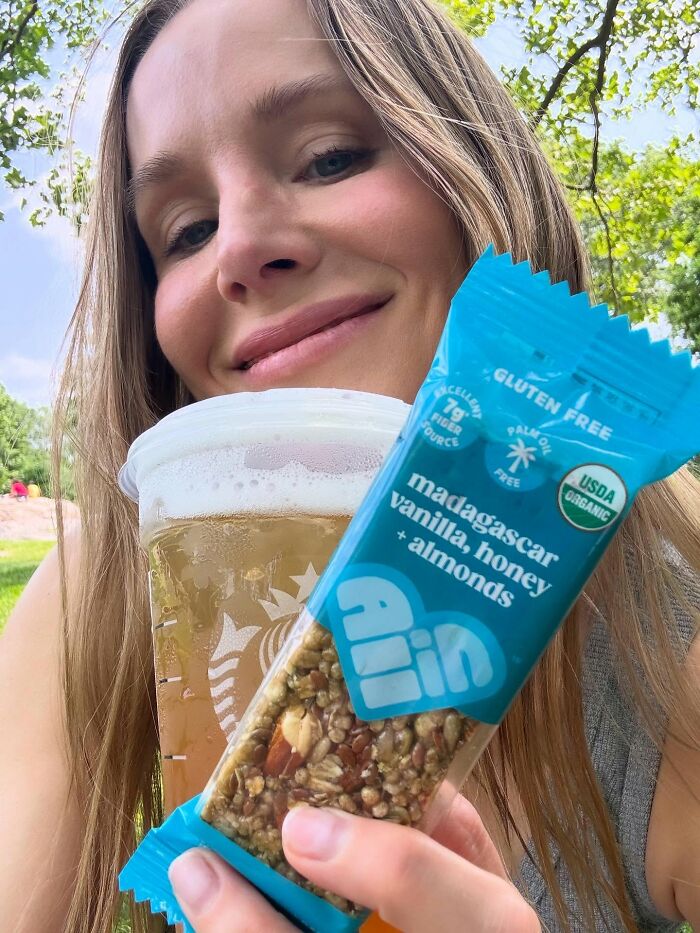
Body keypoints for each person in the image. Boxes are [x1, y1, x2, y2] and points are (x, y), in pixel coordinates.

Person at [1, 0, 698, 931]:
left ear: (473, 174)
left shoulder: (667, 620)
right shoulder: (89, 599)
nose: (240, 249)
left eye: (329, 157)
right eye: (185, 229)